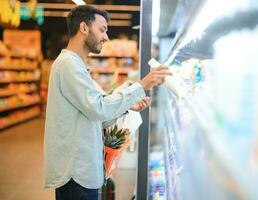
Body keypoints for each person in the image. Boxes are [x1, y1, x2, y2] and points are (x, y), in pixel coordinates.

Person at [44, 5, 171, 200]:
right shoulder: (68, 65)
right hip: (76, 175)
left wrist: (125, 108)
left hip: (82, 172)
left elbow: (94, 114)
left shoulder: (76, 65)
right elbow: (98, 108)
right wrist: (142, 84)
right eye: (102, 29)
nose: (106, 37)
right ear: (84, 28)